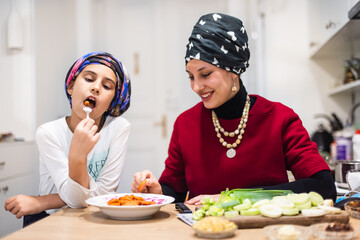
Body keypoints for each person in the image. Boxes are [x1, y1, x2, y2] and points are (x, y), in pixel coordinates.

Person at [131, 13, 336, 205]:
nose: (196, 87)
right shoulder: (185, 124)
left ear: (233, 71)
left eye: (205, 74)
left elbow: (323, 186)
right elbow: (174, 190)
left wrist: (231, 199)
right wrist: (158, 192)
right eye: (191, 76)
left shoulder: (279, 118)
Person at [4, 52, 131, 226]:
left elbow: (104, 196)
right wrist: (78, 154)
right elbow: (81, 198)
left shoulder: (118, 128)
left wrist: (43, 201)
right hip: (53, 221)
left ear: (111, 102)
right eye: (89, 79)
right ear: (71, 87)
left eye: (107, 86)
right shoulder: (48, 133)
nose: (96, 88)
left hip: (96, 220)